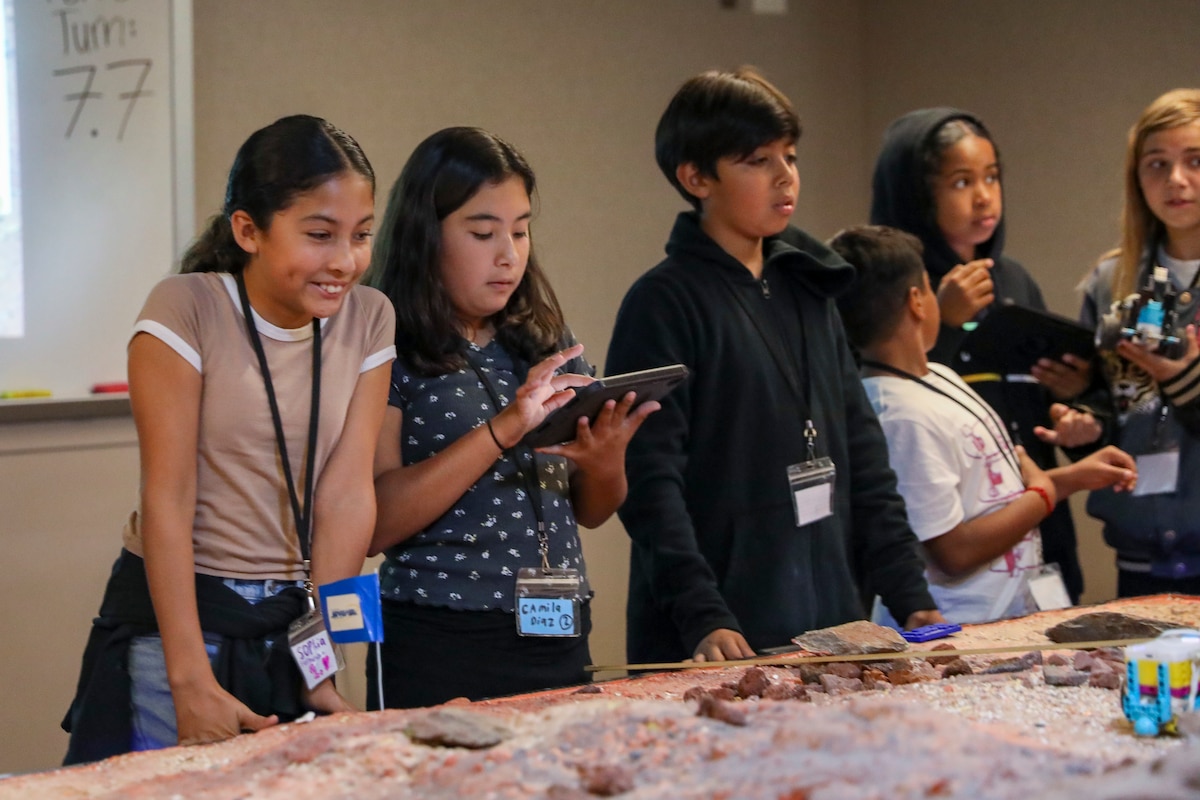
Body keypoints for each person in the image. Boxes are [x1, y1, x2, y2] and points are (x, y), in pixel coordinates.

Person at [61, 115, 396, 764]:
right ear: (248, 230)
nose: (345, 261)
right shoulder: (186, 307)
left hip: (290, 623)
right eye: (320, 235)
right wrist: (189, 680)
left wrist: (322, 663)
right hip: (183, 629)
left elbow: (348, 496)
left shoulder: (370, 317)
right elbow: (168, 496)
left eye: (361, 236)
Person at [605, 68, 943, 666]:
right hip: (719, 632)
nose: (786, 176)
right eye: (758, 160)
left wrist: (912, 597)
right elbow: (650, 482)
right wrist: (701, 613)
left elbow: (864, 455)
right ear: (696, 177)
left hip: (833, 622)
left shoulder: (811, 288)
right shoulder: (663, 302)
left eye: (790, 156)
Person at [365, 127, 655, 708]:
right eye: (482, 232)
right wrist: (502, 431)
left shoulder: (541, 338)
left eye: (521, 231)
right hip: (442, 631)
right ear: (426, 235)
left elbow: (594, 511)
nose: (509, 254)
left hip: (558, 622)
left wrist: (606, 461)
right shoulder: (386, 341)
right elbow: (375, 523)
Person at [829, 226, 1136, 624]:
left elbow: (992, 492)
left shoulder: (937, 374)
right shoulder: (899, 416)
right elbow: (952, 551)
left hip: (1005, 614)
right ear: (917, 301)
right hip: (960, 630)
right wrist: (1042, 495)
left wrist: (1069, 479)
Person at [869, 108, 1098, 604]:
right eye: (960, 182)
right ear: (917, 194)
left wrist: (1071, 406)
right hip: (956, 554)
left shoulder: (1011, 277)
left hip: (1036, 525)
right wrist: (946, 322)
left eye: (991, 177)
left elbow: (1032, 400)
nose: (983, 196)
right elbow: (893, 391)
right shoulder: (891, 291)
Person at [1079, 88, 1200, 597]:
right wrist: (1079, 417)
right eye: (1157, 164)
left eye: (1195, 161)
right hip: (1138, 559)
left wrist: (1186, 380)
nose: (1176, 180)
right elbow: (1113, 410)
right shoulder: (1110, 282)